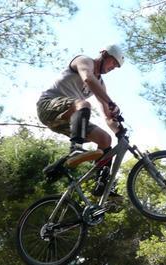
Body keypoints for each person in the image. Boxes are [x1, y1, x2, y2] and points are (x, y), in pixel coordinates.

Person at [36, 44, 124, 196]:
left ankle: (101, 186)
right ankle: (75, 149)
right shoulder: (84, 61)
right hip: (48, 106)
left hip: (65, 118)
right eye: (113, 62)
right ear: (104, 54)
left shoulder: (101, 84)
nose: (113, 68)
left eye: (116, 66)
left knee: (105, 139)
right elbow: (88, 78)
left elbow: (107, 115)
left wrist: (119, 132)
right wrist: (110, 102)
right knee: (82, 104)